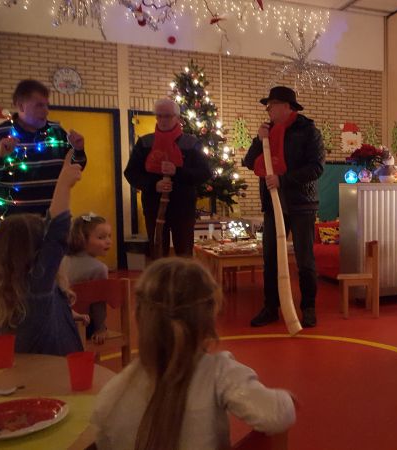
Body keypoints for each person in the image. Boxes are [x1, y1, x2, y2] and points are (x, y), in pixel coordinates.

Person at [91, 258, 296, 450]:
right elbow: (277, 415)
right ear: (209, 319)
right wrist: (285, 399)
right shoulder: (220, 373)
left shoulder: (113, 393)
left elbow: (102, 440)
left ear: (138, 316)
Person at [0, 150, 84, 356]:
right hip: (49, 373)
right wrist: (63, 184)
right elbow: (57, 233)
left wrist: (63, 314)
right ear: (36, 252)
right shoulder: (36, 288)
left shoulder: (22, 292)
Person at [242, 86, 325, 328]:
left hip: (302, 203)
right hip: (272, 203)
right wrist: (259, 141)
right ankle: (271, 307)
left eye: (272, 105)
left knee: (304, 259)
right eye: (267, 106)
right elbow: (249, 162)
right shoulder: (266, 131)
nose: (268, 110)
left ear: (287, 107)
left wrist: (283, 180)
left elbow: (316, 168)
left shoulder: (308, 131)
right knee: (270, 258)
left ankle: (308, 308)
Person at [0, 79, 86, 224]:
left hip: (53, 219)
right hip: (12, 223)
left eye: (46, 105)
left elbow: (75, 169)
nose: (46, 111)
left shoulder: (58, 133)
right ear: (21, 106)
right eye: (39, 105)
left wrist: (79, 150)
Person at [124, 98, 211, 257]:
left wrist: (177, 172)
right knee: (158, 252)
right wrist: (153, 185)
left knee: (184, 253)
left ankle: (183, 274)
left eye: (168, 116)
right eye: (159, 116)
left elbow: (205, 172)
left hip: (183, 207)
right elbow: (131, 173)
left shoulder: (191, 143)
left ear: (177, 118)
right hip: (154, 206)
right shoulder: (145, 142)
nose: (163, 120)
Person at [65, 213, 111, 344]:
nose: (108, 241)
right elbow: (98, 303)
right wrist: (101, 328)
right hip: (85, 326)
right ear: (82, 239)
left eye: (109, 236)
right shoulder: (99, 268)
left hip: (61, 323)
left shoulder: (63, 260)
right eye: (101, 237)